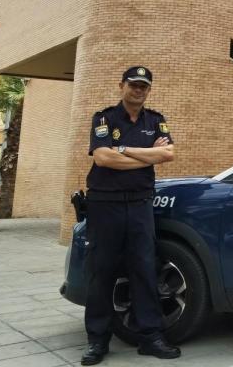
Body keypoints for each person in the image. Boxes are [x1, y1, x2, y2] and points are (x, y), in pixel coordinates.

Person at [81, 67, 180, 365]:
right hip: (105, 204)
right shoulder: (104, 118)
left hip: (139, 204)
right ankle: (97, 341)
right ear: (122, 85)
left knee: (144, 268)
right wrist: (146, 154)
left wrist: (122, 149)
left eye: (144, 86)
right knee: (102, 271)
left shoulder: (156, 120)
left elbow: (168, 154)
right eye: (134, 85)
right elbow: (102, 157)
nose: (139, 90)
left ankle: (150, 337)